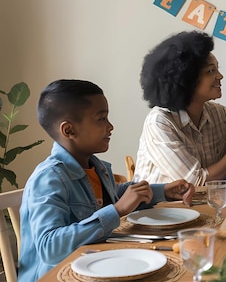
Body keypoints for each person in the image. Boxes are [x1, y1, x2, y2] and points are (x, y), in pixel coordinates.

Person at [19, 80, 195, 281]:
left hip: (97, 267)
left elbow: (109, 196)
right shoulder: (48, 178)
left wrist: (162, 191)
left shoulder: (96, 167)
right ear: (69, 131)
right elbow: (49, 248)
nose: (110, 126)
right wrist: (118, 210)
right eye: (101, 119)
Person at [134, 31, 226, 185]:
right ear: (185, 79)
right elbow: (195, 181)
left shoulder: (218, 113)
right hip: (160, 207)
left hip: (200, 205)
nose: (220, 76)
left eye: (217, 69)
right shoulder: (159, 122)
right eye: (211, 71)